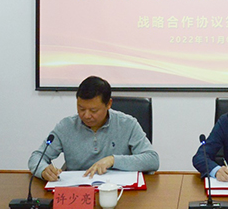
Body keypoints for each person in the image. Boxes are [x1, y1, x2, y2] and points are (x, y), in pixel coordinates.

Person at [29, 76, 159, 181]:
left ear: (108, 104)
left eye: (93, 110)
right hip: (78, 192)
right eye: (81, 108)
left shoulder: (127, 124)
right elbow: (37, 157)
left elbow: (152, 159)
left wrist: (113, 160)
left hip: (118, 191)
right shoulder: (66, 126)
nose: (86, 115)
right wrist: (43, 170)